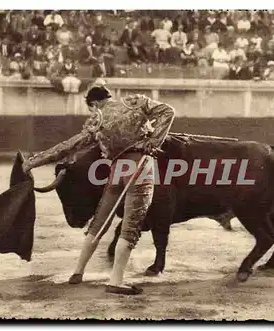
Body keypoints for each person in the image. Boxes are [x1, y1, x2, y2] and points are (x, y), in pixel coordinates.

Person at [21, 83, 175, 295]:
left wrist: (33, 162)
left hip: (117, 169)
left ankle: (78, 271)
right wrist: (153, 141)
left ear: (93, 104)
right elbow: (168, 111)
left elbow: (69, 146)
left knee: (99, 221)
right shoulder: (133, 102)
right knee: (131, 226)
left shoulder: (97, 119)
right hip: (140, 167)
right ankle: (116, 281)